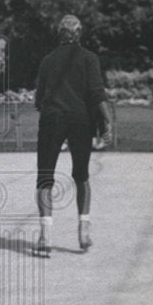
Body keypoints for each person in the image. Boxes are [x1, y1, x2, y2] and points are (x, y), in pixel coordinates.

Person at [33, 14, 113, 257]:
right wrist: (107, 122)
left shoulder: (47, 60)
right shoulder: (90, 58)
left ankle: (46, 236)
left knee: (45, 176)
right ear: (79, 33)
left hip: (52, 118)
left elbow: (39, 100)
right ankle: (83, 231)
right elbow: (97, 94)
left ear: (60, 34)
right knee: (81, 175)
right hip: (80, 120)